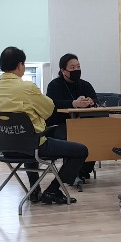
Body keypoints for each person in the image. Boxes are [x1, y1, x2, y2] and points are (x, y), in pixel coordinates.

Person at [0, 46, 88, 205]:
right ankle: (53, 190)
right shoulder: (27, 87)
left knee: (28, 140)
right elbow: (49, 110)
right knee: (80, 150)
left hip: (5, 147)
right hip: (33, 146)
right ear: (20, 65)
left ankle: (34, 191)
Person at [46, 53, 98, 181]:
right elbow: (52, 104)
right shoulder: (54, 85)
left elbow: (95, 99)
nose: (76, 70)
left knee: (94, 136)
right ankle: (71, 174)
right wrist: (73, 103)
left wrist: (91, 101)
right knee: (73, 138)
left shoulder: (85, 85)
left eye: (78, 67)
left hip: (83, 123)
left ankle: (84, 171)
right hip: (59, 124)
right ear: (63, 71)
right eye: (72, 68)